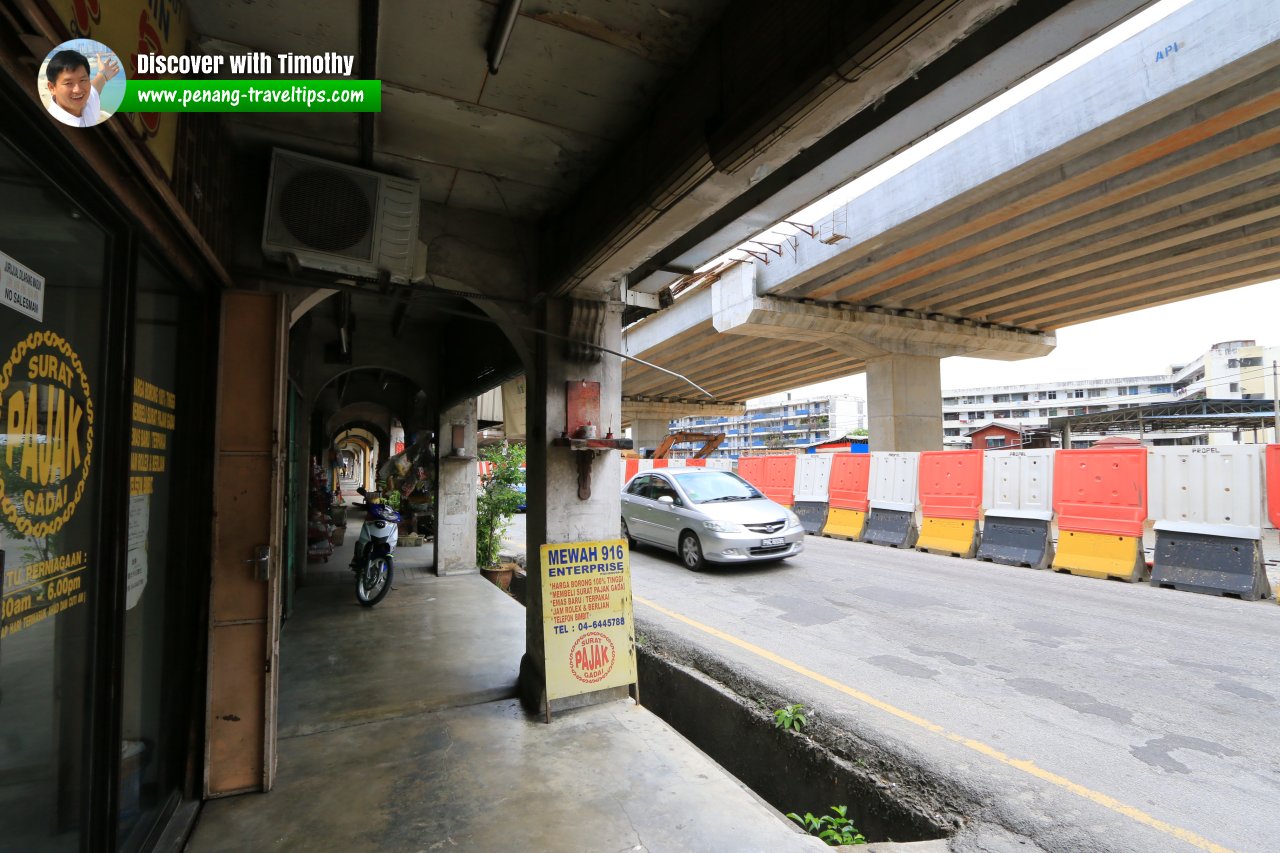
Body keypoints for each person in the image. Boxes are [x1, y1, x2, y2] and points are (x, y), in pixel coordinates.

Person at [45, 49, 118, 128]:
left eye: (82, 80)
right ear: (52, 88)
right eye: (68, 83)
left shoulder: (88, 102)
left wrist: (103, 74)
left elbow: (96, 86)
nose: (78, 90)